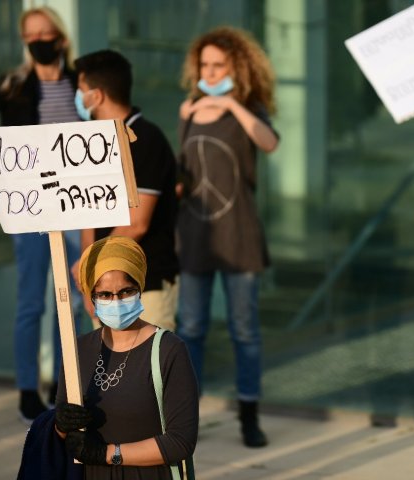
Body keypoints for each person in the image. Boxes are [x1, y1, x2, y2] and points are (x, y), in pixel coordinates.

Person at [0, 6, 82, 422]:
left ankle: (69, 388)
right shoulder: (15, 85)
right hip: (30, 208)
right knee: (31, 303)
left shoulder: (82, 82)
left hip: (78, 206)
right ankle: (28, 389)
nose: (39, 41)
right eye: (31, 35)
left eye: (46, 33)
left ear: (60, 38)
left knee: (76, 300)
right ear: (25, 42)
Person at [174, 26, 279, 448]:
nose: (211, 72)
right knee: (192, 329)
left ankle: (249, 416)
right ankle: (187, 417)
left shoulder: (249, 108)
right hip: (194, 235)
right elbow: (185, 170)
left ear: (237, 67)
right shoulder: (186, 111)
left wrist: (233, 105)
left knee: (244, 330)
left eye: (220, 65)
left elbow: (269, 143)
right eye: (206, 65)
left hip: (240, 236)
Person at [55, 236, 198, 478]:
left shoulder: (169, 350)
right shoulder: (76, 350)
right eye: (105, 294)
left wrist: (107, 453)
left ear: (139, 289)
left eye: (126, 291)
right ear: (91, 297)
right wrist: (60, 425)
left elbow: (180, 441)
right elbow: (62, 437)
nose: (116, 301)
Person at [71, 49, 179, 332]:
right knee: (108, 373)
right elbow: (88, 214)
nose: (78, 99)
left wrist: (93, 265)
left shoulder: (145, 140)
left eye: (80, 90)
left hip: (146, 283)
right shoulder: (91, 142)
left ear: (97, 95)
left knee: (150, 372)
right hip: (102, 284)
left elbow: (136, 223)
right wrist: (88, 271)